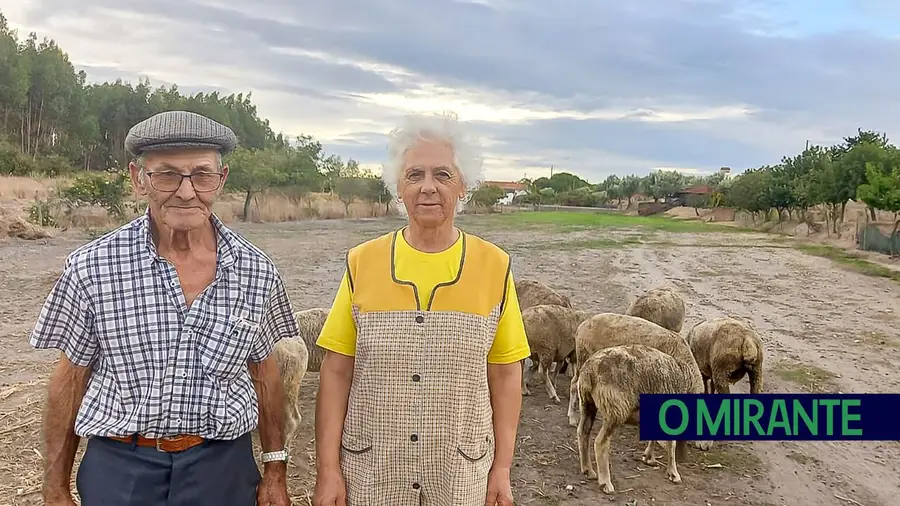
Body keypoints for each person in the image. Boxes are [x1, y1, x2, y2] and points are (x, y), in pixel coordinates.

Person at [29, 110, 300, 506]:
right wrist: (54, 488)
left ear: (220, 181)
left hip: (222, 467)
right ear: (139, 180)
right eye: (167, 174)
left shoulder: (256, 271)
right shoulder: (92, 266)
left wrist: (276, 470)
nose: (186, 191)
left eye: (202, 174)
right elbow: (69, 381)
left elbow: (265, 374)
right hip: (120, 468)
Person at [312, 112, 531, 506]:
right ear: (398, 187)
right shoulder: (362, 262)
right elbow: (336, 370)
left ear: (464, 185)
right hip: (374, 475)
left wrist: (501, 468)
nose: (428, 187)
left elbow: (504, 374)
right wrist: (328, 470)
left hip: (459, 475)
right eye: (415, 175)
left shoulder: (494, 266)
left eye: (442, 175)